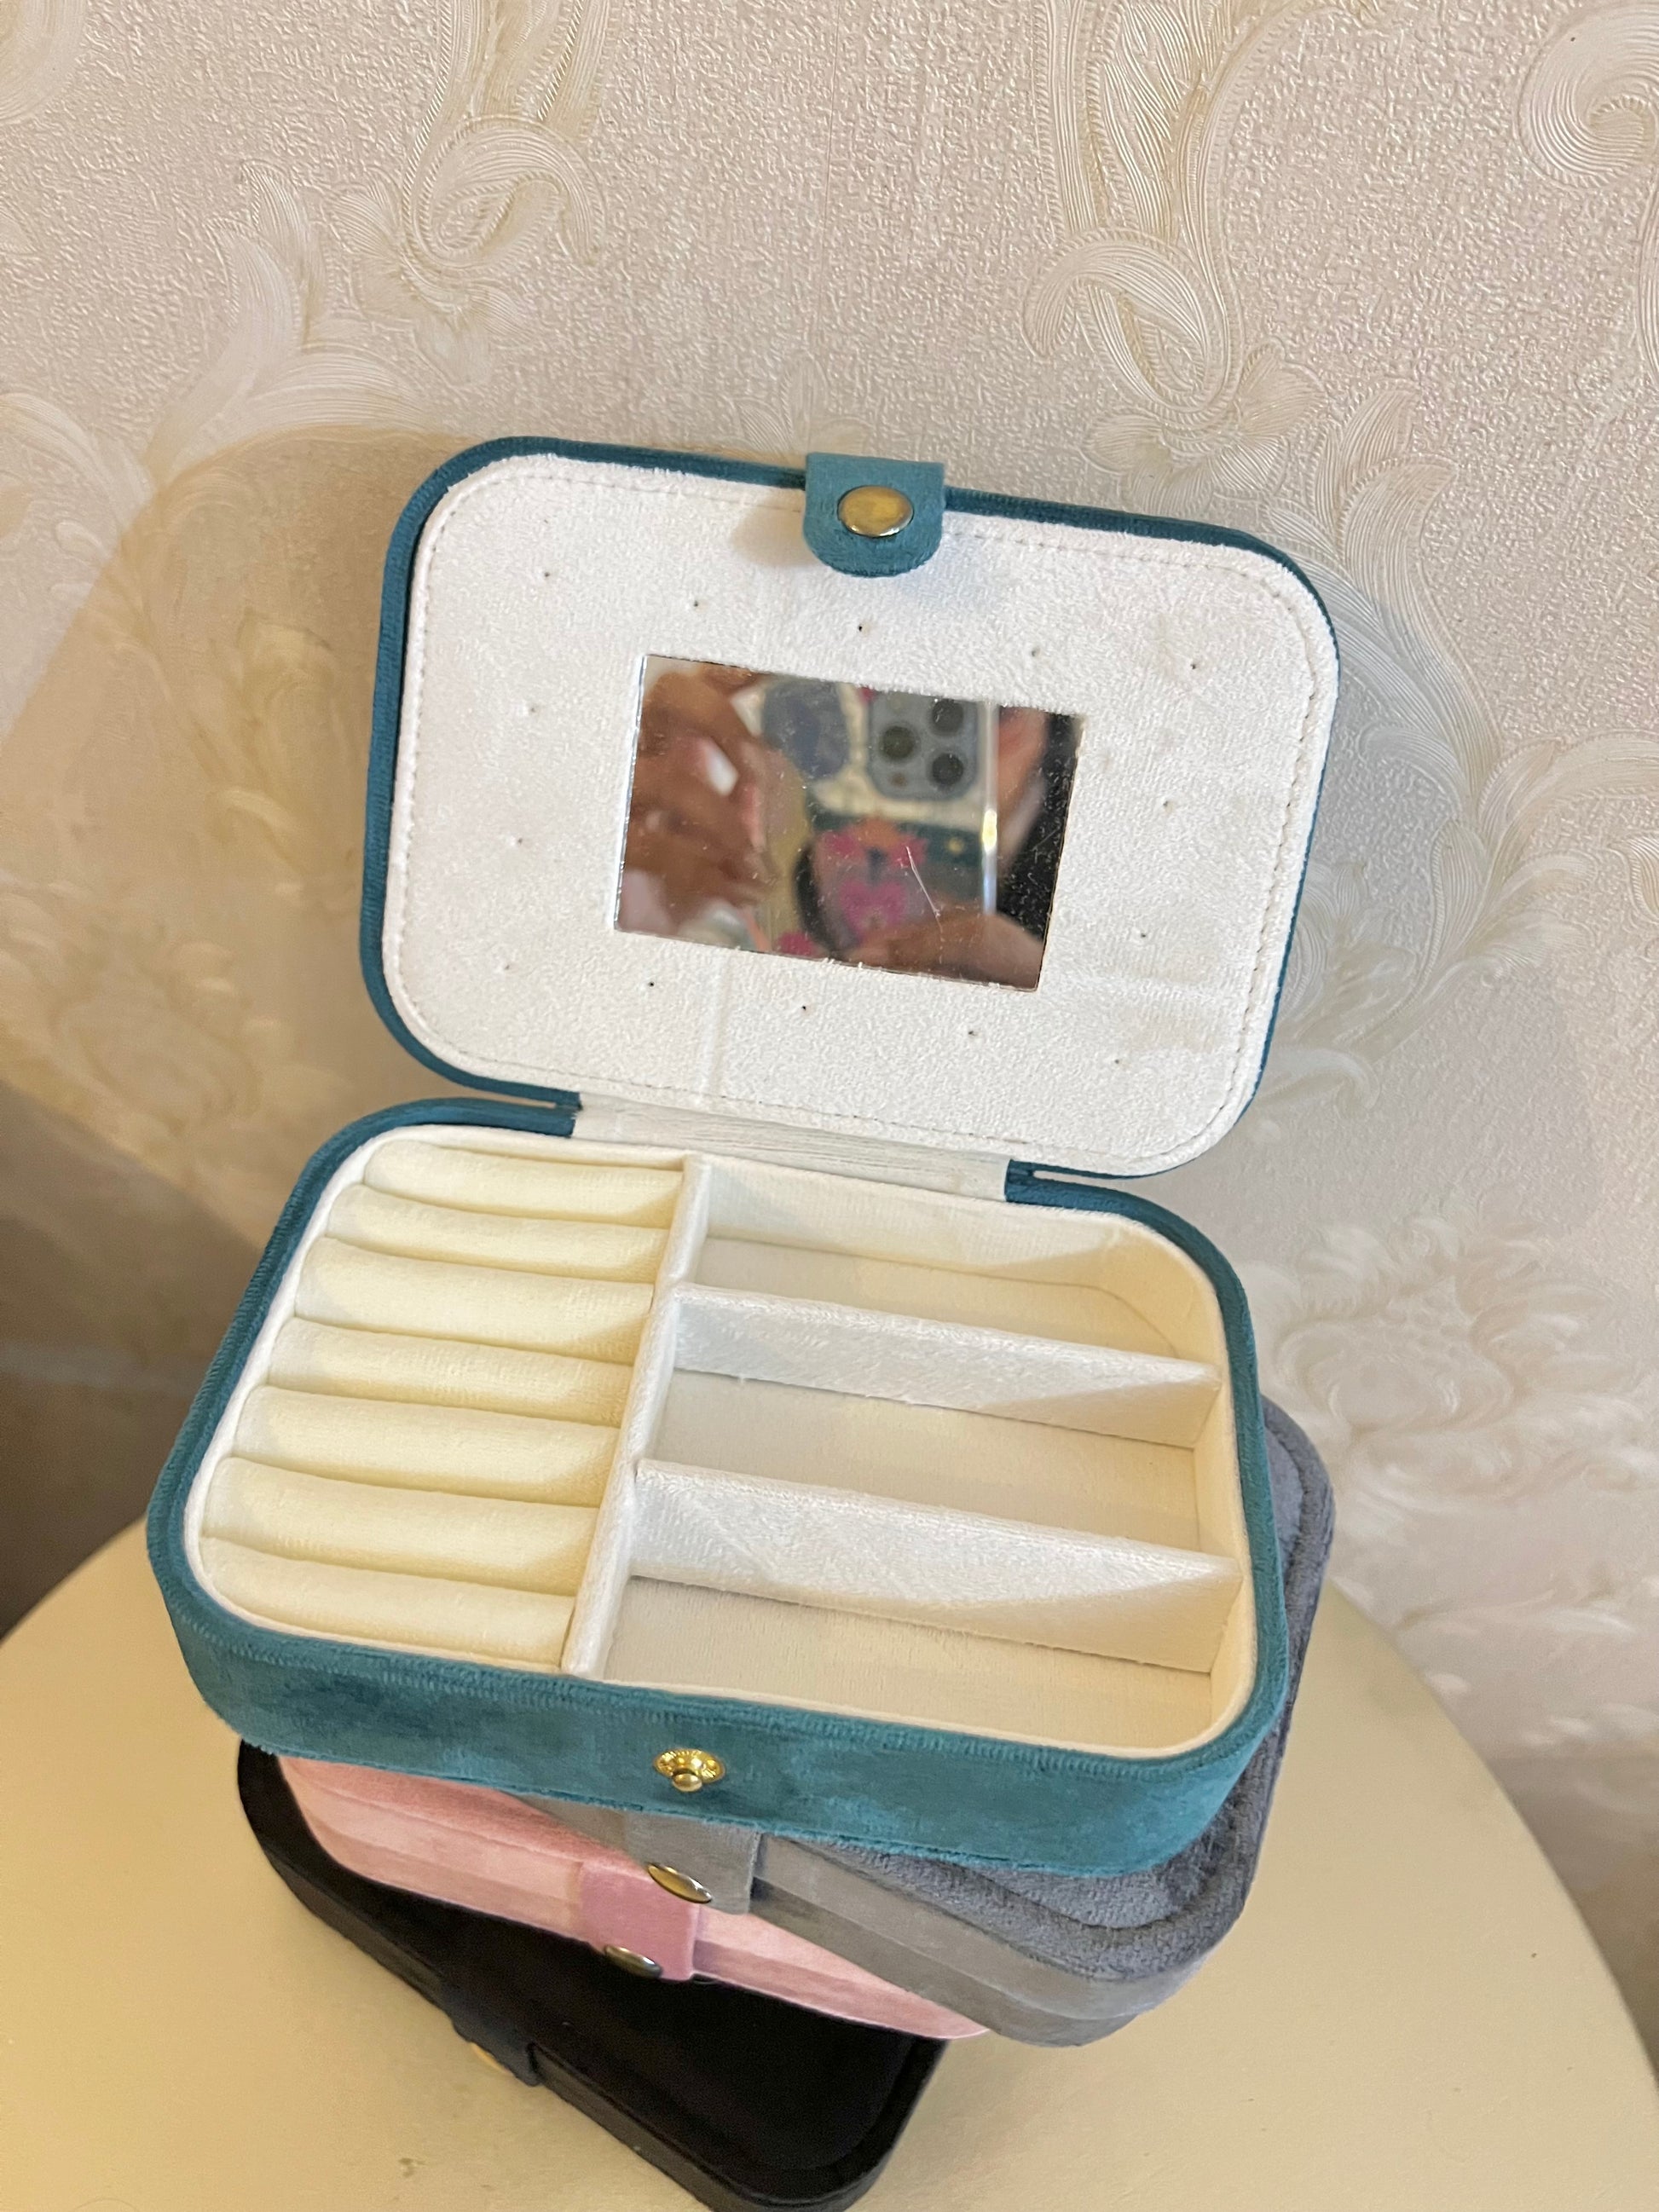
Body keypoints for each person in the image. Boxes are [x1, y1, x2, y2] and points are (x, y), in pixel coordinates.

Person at [620, 663, 1072, 988]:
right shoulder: (750, 842)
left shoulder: (1097, 893)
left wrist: (1061, 1033)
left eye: (986, 710)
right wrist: (632, 914)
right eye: (864, 703)